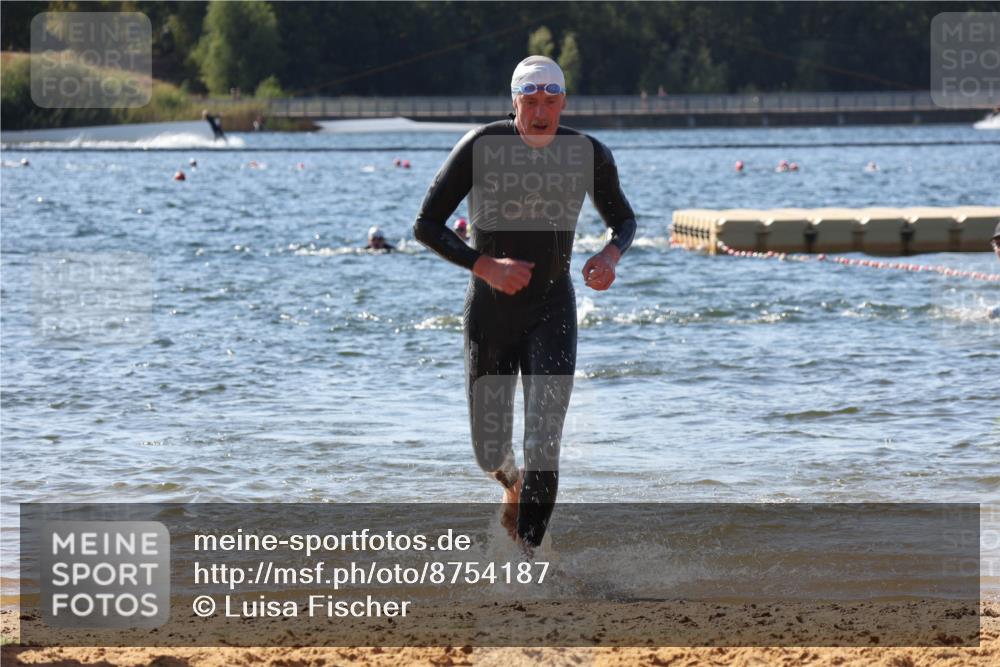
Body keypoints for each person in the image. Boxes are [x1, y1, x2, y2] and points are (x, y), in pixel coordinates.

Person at [413, 55, 636, 553]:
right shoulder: (482, 147)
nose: (539, 112)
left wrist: (610, 255)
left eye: (549, 102)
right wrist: (483, 265)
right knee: (489, 451)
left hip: (552, 309)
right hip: (490, 311)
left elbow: (623, 219)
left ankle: (528, 560)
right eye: (529, 101)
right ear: (513, 102)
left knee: (544, 443)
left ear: (563, 103)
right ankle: (510, 485)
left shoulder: (587, 153)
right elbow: (425, 224)